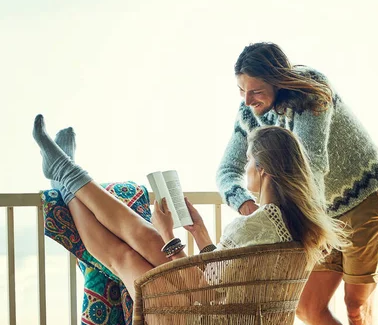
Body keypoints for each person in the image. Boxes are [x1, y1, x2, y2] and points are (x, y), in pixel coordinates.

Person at [216, 42, 378, 325]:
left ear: (277, 80)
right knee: (308, 307)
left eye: (256, 90)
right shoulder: (249, 113)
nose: (248, 100)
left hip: (361, 199)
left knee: (356, 307)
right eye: (241, 91)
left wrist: (275, 211)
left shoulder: (312, 91)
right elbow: (227, 169)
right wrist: (245, 203)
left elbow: (311, 162)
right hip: (316, 212)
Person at [32, 115, 343, 305]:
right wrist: (200, 233)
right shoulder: (297, 227)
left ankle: (65, 174)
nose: (245, 166)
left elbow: (202, 288)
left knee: (126, 255)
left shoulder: (251, 225)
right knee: (138, 247)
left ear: (263, 169)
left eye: (249, 159)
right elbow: (222, 279)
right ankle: (64, 173)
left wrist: (169, 234)